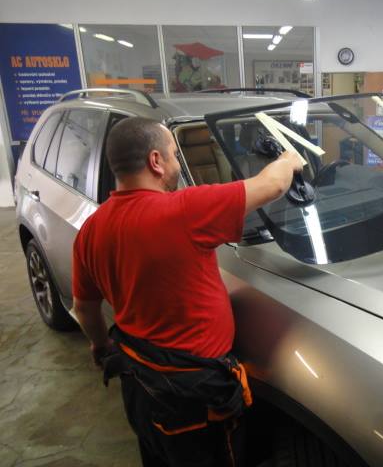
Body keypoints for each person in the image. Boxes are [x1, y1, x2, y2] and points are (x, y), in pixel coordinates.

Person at [72, 117, 303, 467]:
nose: (177, 163)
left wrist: (100, 345)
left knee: (157, 455)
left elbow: (85, 308)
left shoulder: (90, 230)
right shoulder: (184, 210)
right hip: (193, 402)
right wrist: (289, 159)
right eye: (174, 154)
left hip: (140, 387)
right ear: (155, 161)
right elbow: (271, 186)